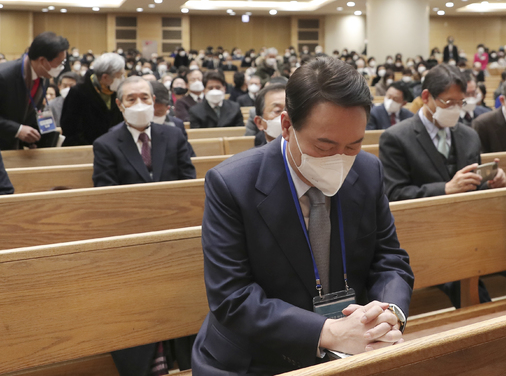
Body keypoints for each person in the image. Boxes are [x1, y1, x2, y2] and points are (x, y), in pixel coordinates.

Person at [191, 57, 414, 375]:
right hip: (256, 358)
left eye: (353, 145)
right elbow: (233, 297)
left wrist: (388, 313)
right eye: (324, 146)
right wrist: (328, 331)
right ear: (286, 126)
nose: (339, 159)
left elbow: (389, 259)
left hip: (351, 348)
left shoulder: (367, 170)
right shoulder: (232, 183)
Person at [92, 76, 196, 375]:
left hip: (175, 238)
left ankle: (188, 359)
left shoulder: (174, 136)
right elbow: (106, 201)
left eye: (145, 98)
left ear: (155, 101)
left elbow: (188, 186)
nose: (139, 104)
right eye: (131, 99)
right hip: (131, 244)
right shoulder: (106, 144)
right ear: (119, 104)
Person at [379, 64, 506, 202]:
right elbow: (394, 194)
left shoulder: (470, 136)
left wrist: (489, 184)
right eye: (449, 102)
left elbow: (471, 188)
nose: (456, 109)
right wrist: (445, 189)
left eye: (460, 103)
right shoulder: (396, 138)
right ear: (426, 97)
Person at [0, 31, 69, 150]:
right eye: (58, 63)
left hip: (19, 148)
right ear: (42, 61)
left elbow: (29, 112)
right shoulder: (4, 76)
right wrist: (18, 130)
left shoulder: (44, 76)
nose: (61, 68)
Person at [61, 52, 125, 147]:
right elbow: (70, 128)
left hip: (113, 148)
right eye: (119, 76)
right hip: (85, 149)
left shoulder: (116, 91)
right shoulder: (79, 92)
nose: (122, 79)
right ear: (105, 77)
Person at [253, 83, 286, 147]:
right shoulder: (252, 156)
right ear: (259, 122)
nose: (286, 116)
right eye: (277, 111)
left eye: (289, 110)